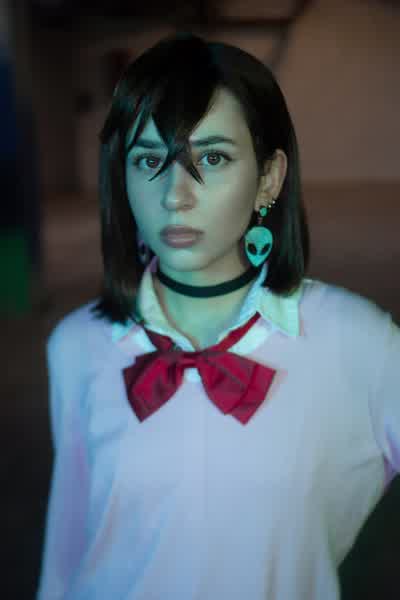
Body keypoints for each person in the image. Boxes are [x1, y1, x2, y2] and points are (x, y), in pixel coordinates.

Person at [37, 33, 400, 600]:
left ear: (268, 178)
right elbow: (67, 547)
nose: (175, 195)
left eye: (211, 158)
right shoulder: (76, 345)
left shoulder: (361, 343)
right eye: (149, 160)